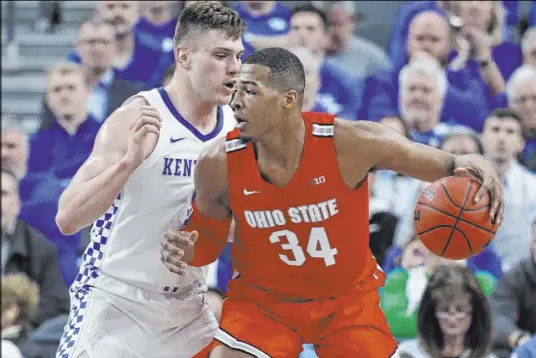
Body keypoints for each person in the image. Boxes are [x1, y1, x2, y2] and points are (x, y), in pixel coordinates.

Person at [161, 47, 505, 358]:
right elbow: (205, 242)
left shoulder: (350, 143)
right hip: (264, 303)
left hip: (346, 302)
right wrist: (186, 246)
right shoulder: (217, 163)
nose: (235, 102)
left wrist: (472, 164)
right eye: (235, 90)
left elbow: (444, 164)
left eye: (250, 92)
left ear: (288, 100)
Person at [54, 2, 244, 357]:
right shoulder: (136, 116)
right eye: (220, 55)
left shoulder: (237, 132)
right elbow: (67, 218)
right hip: (118, 301)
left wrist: (210, 232)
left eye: (238, 55)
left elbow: (248, 226)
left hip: (189, 310)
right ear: (184, 56)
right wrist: (128, 163)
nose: (234, 68)